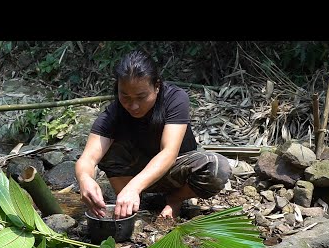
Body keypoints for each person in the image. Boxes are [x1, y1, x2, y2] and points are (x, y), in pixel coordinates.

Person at [75, 50, 232, 220]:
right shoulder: (112, 114)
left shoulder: (175, 99)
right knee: (106, 149)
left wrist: (134, 187)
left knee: (218, 167)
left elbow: (169, 153)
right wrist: (84, 178)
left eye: (141, 97)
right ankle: (131, 208)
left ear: (157, 86)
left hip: (175, 170)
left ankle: (175, 199)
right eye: (125, 96)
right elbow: (88, 158)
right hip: (134, 174)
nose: (133, 105)